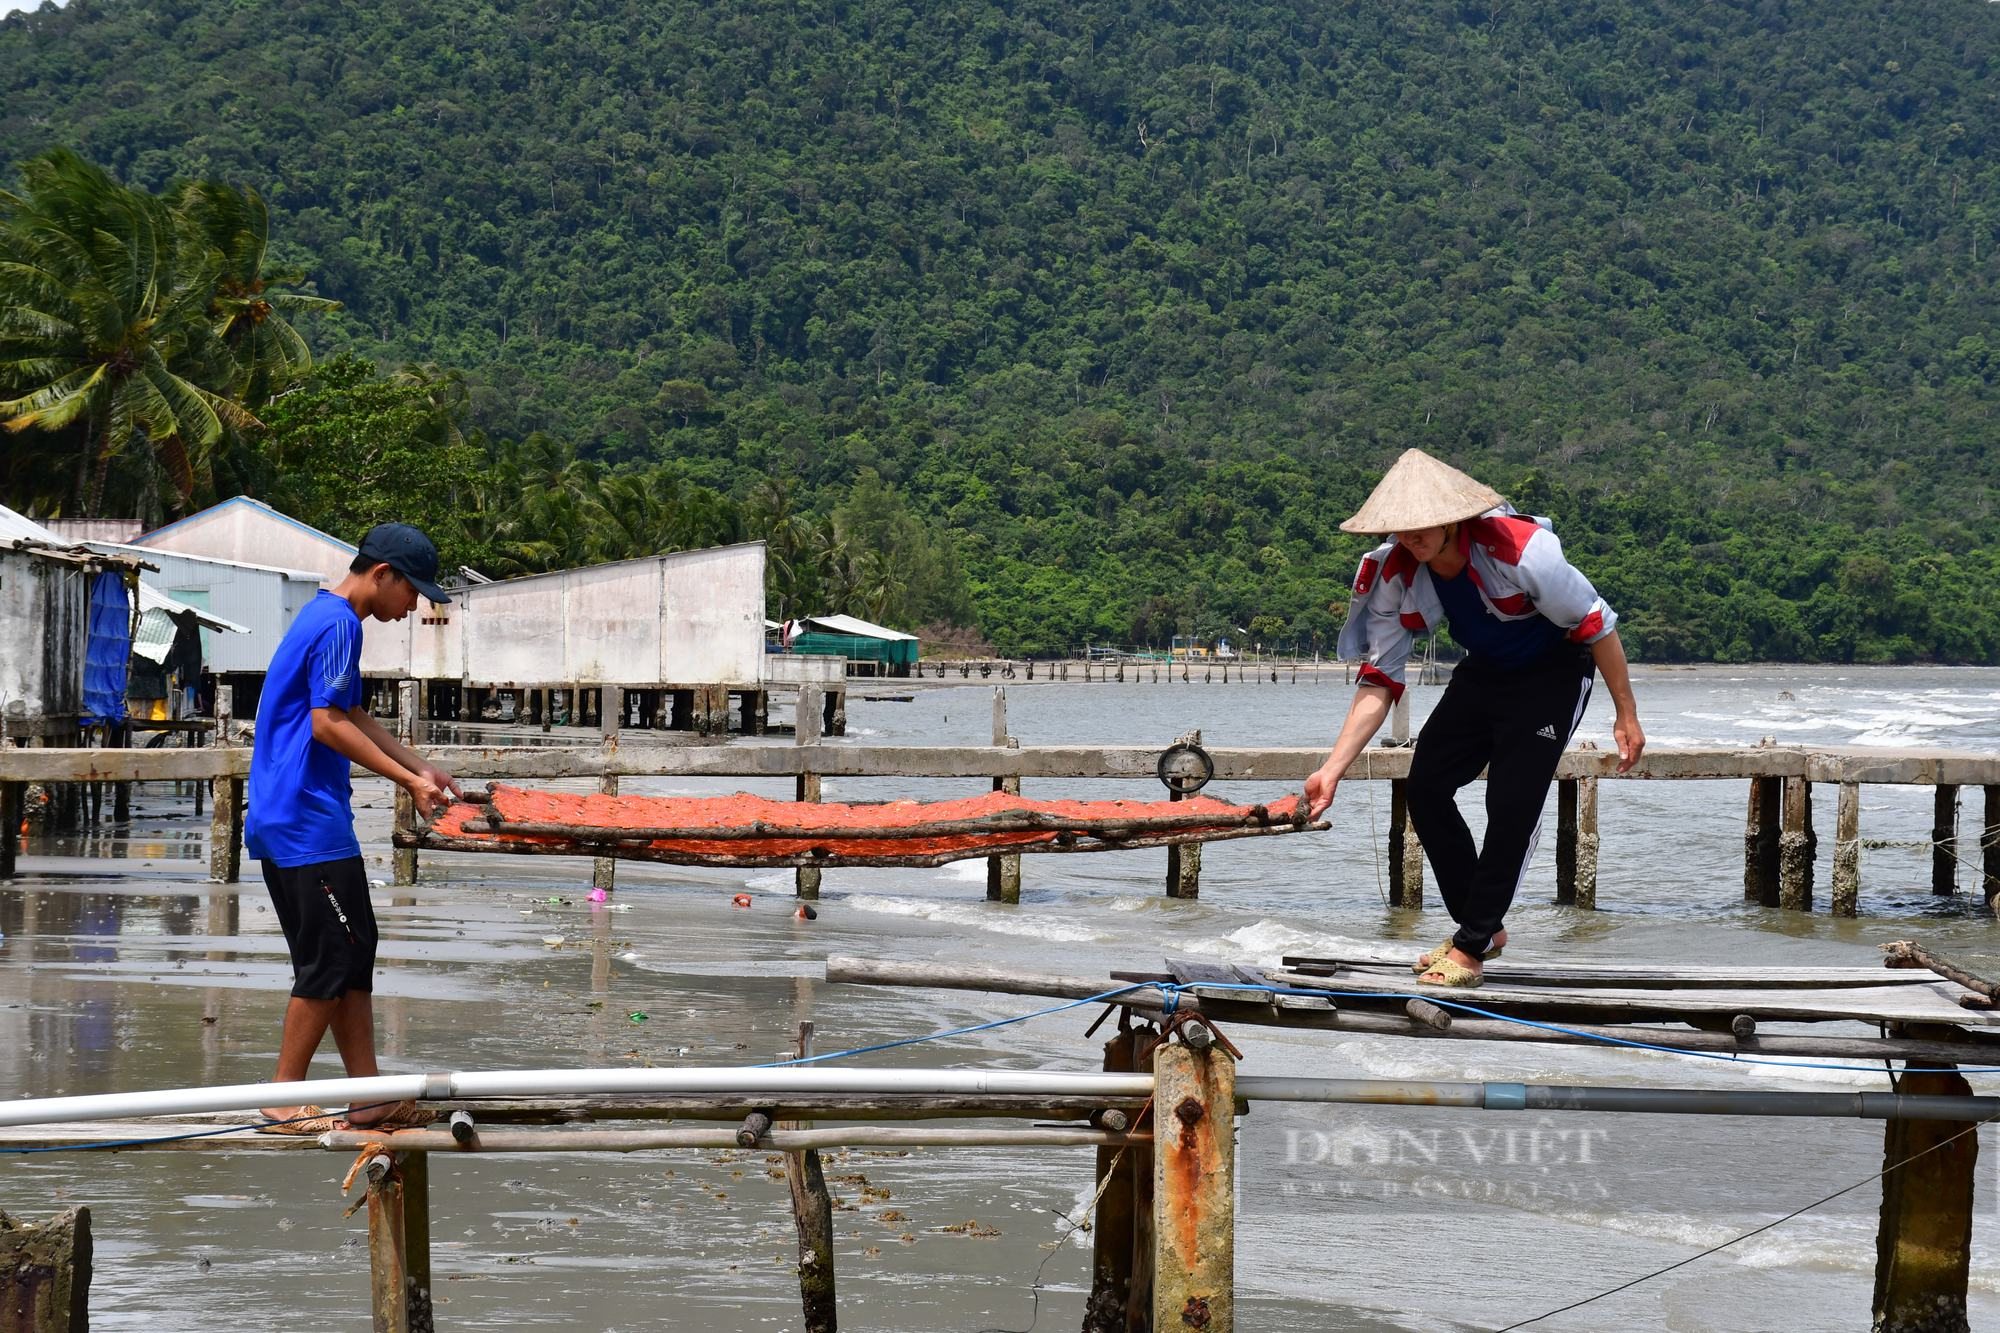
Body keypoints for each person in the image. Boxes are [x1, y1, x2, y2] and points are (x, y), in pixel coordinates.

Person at [1305, 450, 1644, 987]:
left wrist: (1625, 712)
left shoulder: (1522, 551)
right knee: (1426, 785)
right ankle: (1481, 929)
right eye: (1401, 531)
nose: (1411, 540)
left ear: (1452, 519)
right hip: (1487, 671)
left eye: (1421, 529)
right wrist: (1333, 768)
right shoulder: (1396, 572)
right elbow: (1381, 678)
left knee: (1511, 803)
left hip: (1554, 674)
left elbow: (1596, 623)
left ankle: (1470, 947)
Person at [246, 523, 463, 1131]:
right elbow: (325, 725)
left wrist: (421, 765)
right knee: (330, 957)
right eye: (413, 590)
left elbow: (350, 712)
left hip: (296, 815)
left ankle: (367, 1094)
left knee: (353, 949)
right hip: (304, 820)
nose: (416, 605)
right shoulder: (341, 623)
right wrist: (408, 783)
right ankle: (282, 1094)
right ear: (382, 575)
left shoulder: (323, 614)